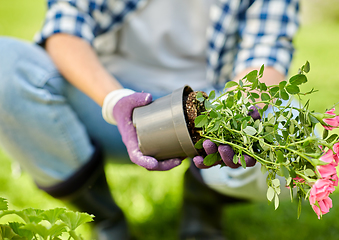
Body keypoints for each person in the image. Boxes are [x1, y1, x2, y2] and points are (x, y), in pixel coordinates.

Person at [0, 0, 299, 239]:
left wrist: (232, 113)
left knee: (286, 118)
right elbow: (65, 29)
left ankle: (203, 205)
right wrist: (115, 101)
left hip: (208, 109)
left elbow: (266, 54)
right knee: (5, 64)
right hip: (109, 100)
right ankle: (105, 220)